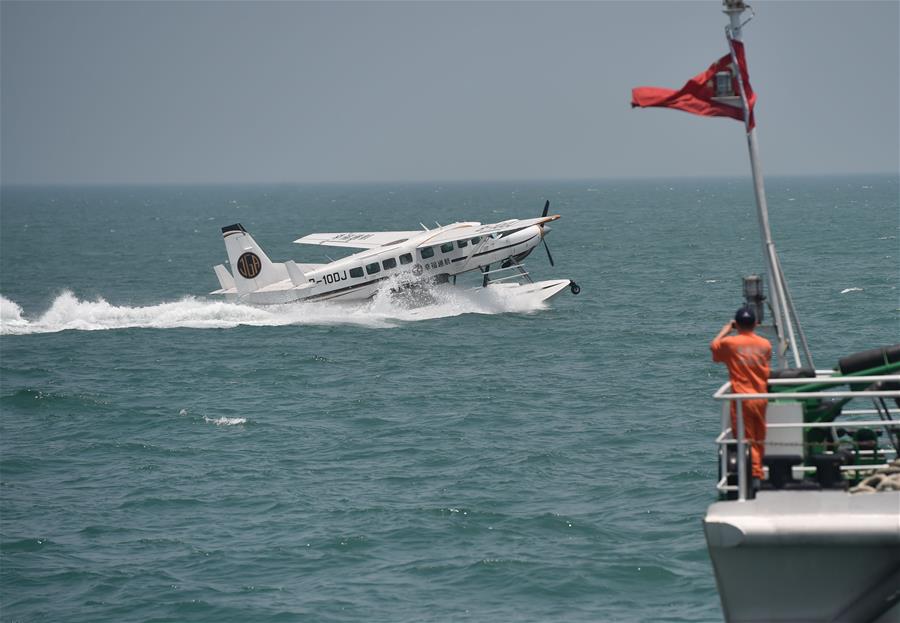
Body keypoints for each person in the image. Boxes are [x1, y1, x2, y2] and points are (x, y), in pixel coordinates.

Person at [710, 307, 772, 486]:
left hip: (742, 399)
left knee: (745, 439)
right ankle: (759, 471)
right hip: (761, 397)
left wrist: (726, 329)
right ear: (755, 323)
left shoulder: (731, 343)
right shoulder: (765, 344)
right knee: (760, 437)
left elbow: (714, 348)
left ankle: (754, 478)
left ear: (737, 325)